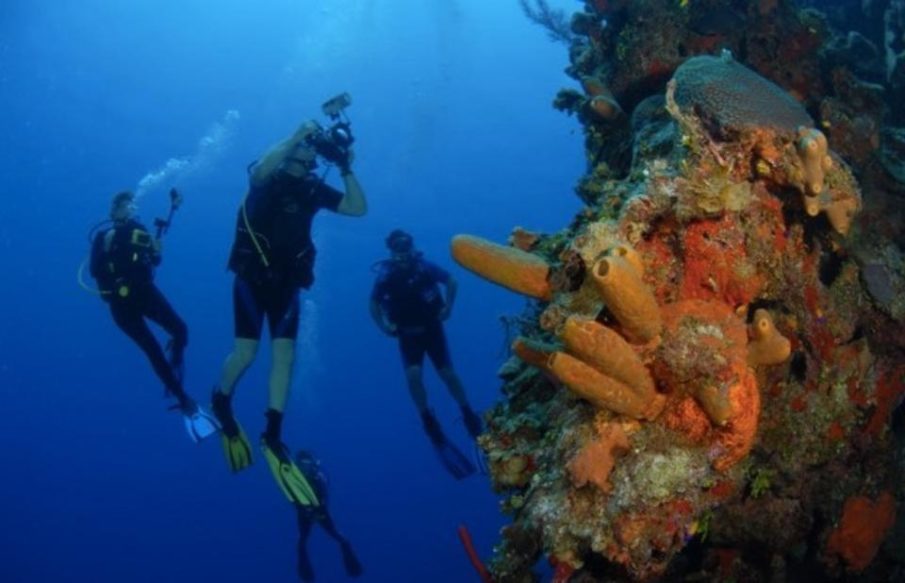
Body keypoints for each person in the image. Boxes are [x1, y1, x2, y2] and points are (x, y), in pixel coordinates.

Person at [211, 119, 367, 506]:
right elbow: (264, 166)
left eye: (313, 146)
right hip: (250, 278)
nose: (311, 149)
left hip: (286, 285)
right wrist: (296, 134)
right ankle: (220, 399)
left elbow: (357, 208)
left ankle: (273, 431)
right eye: (306, 144)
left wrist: (346, 166)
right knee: (246, 354)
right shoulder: (266, 177)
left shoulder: (312, 189)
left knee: (286, 357)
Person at [89, 190, 217, 442]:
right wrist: (106, 248)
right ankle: (184, 400)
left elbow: (153, 261)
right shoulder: (104, 235)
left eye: (132, 205)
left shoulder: (141, 230)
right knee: (152, 349)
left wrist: (156, 249)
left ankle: (175, 363)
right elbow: (95, 269)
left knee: (181, 331)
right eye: (124, 206)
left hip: (146, 293)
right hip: (120, 303)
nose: (131, 208)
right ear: (113, 212)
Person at [369, 229, 482, 479]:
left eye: (406, 248)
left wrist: (449, 308)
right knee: (413, 376)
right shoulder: (385, 276)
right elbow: (373, 304)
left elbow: (452, 280)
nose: (403, 254)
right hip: (407, 334)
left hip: (432, 328)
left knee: (447, 373)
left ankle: (467, 412)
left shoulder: (424, 268)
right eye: (398, 249)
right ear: (391, 251)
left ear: (411, 247)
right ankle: (428, 420)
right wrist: (384, 326)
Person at [293, 451, 363, 581]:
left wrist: (316, 512)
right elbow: (293, 499)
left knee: (336, 535)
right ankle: (305, 568)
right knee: (301, 541)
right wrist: (304, 511)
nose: (304, 469)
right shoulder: (295, 480)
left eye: (306, 465)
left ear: (312, 465)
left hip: (321, 512)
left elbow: (324, 498)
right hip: (304, 513)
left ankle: (347, 552)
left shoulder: (319, 478)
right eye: (301, 466)